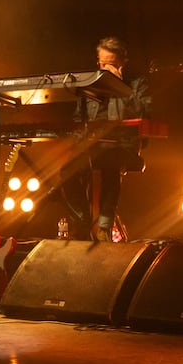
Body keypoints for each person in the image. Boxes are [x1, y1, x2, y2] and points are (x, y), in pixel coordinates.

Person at [59, 36, 152, 241]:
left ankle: (104, 226)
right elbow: (79, 118)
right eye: (103, 64)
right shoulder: (90, 83)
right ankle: (82, 220)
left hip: (123, 144)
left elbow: (143, 113)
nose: (106, 69)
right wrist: (78, 142)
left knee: (111, 164)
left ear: (122, 63)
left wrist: (121, 88)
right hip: (93, 144)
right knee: (67, 171)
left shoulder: (137, 83)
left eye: (112, 64)